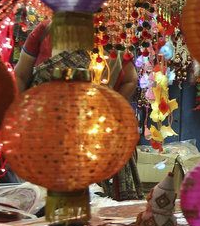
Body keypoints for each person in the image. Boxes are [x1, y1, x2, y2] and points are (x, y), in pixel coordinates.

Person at [11, 17, 141, 198]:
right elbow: (20, 76)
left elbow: (20, 75)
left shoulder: (107, 33)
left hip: (91, 135)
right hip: (45, 132)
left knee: (93, 206)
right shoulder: (47, 29)